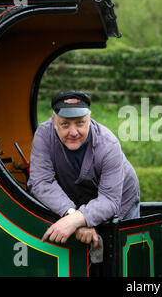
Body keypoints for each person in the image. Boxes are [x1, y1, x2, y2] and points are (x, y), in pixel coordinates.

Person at [27, 90, 140, 251]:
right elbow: (40, 181)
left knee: (119, 255)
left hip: (121, 200)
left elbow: (109, 199)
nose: (73, 132)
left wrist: (77, 219)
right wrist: (73, 215)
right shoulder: (43, 135)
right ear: (53, 120)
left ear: (90, 118)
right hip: (75, 202)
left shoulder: (109, 145)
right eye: (65, 124)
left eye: (80, 123)